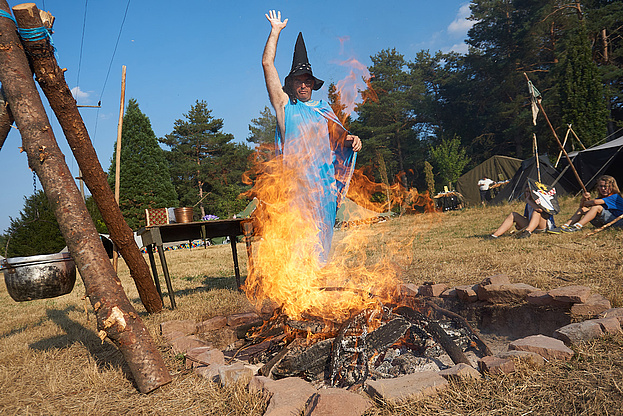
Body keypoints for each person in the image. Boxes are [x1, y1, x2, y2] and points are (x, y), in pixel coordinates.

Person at [262, 10, 361, 264]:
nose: (304, 85)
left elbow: (339, 134)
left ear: (312, 84)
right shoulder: (285, 108)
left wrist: (352, 139)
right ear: (291, 83)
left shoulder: (323, 109)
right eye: (299, 80)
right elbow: (267, 65)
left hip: (324, 190)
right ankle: (296, 293)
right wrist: (275, 32)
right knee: (299, 245)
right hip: (297, 190)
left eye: (308, 80)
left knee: (321, 246)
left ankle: (316, 291)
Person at [550, 175, 623, 233]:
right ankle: (565, 226)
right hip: (604, 222)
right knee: (582, 209)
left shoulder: (615, 196)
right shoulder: (601, 198)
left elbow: (595, 202)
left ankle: (577, 226)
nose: (603, 188)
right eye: (601, 186)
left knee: (596, 207)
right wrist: (583, 198)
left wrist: (587, 202)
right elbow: (582, 206)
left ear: (612, 187)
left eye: (606, 186)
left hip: (617, 222)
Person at [488, 187, 555, 239]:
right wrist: (520, 224)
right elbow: (528, 218)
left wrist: (528, 200)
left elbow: (540, 210)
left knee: (536, 212)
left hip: (543, 226)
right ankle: (495, 235)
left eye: (529, 191)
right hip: (532, 226)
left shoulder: (541, 202)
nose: (528, 193)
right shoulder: (528, 205)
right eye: (526, 192)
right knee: (513, 214)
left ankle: (527, 232)